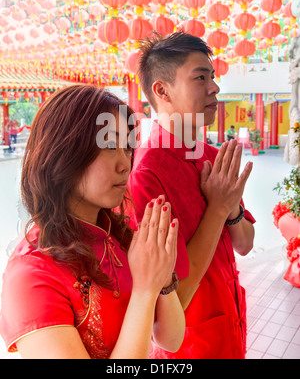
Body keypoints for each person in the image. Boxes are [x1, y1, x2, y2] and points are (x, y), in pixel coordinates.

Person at [0, 85, 185, 359]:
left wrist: (162, 275)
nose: (125, 164)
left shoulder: (120, 234)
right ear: (62, 151)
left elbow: (171, 339)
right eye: (110, 145)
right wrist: (146, 289)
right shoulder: (32, 275)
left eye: (127, 147)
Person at [128, 32, 255, 359]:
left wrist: (231, 210)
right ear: (162, 90)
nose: (214, 88)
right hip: (190, 347)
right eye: (200, 77)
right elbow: (174, 299)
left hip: (232, 326)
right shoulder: (146, 175)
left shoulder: (211, 155)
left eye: (212, 77)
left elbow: (245, 243)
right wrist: (218, 207)